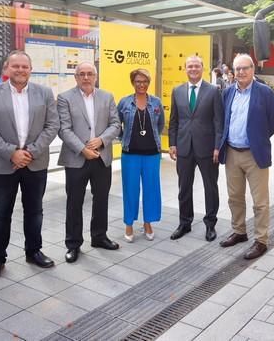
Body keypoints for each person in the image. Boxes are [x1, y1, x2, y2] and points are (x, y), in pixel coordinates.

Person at [0, 50, 59, 283]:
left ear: (31, 69)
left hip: (35, 163)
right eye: (16, 66)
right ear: (6, 69)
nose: (20, 70)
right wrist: (11, 153)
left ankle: (33, 251)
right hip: (3, 165)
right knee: (1, 214)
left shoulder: (44, 93)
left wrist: (30, 152)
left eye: (25, 66)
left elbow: (52, 126)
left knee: (35, 212)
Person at [57, 62, 121, 263]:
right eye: (81, 74)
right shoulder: (65, 98)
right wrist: (83, 149)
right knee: (74, 202)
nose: (86, 77)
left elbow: (116, 124)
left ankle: (99, 237)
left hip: (101, 157)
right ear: (76, 77)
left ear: (96, 76)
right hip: (77, 158)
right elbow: (64, 129)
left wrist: (102, 140)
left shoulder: (107, 96)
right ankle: (73, 244)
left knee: (101, 199)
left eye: (90, 74)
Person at [218, 54, 274, 260]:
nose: (241, 72)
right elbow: (224, 120)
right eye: (238, 69)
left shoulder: (264, 92)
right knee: (234, 197)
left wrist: (258, 138)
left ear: (253, 69)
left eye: (245, 68)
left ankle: (261, 240)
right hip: (233, 153)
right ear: (233, 72)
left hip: (255, 155)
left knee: (259, 202)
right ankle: (239, 232)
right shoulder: (228, 93)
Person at [168, 56, 224, 242]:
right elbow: (174, 121)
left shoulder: (213, 91)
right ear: (185, 69)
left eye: (196, 66)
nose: (193, 69)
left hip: (207, 148)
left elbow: (218, 121)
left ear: (203, 68)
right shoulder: (177, 91)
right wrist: (172, 143)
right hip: (184, 146)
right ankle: (185, 223)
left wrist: (217, 146)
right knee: (184, 187)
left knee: (210, 187)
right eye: (190, 66)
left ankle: (210, 224)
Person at [117, 68, 164, 242]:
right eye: (138, 81)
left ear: (149, 83)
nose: (141, 84)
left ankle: (148, 223)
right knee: (130, 189)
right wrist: (124, 140)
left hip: (152, 154)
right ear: (133, 82)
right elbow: (116, 125)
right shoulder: (124, 102)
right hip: (130, 154)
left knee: (152, 189)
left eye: (144, 81)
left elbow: (160, 125)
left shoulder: (157, 103)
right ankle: (129, 224)